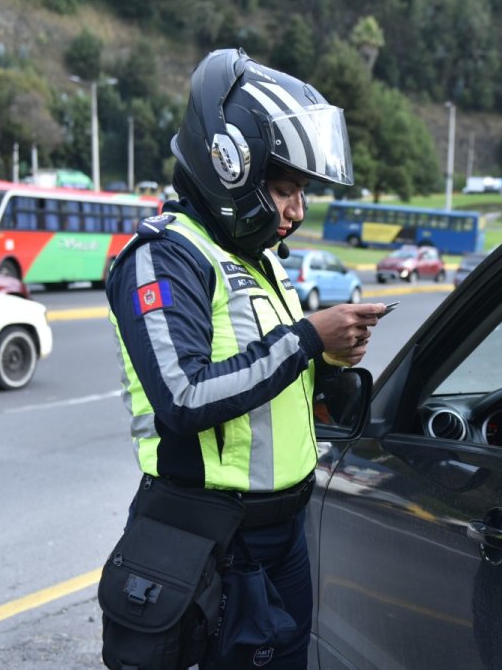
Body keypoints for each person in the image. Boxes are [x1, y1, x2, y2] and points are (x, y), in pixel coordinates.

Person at [105, 49, 385, 669]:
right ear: (227, 166)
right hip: (213, 541)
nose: (296, 211)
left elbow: (276, 386)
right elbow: (182, 398)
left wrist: (333, 364)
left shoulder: (259, 263)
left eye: (302, 192)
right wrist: (308, 339)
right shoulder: (165, 257)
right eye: (284, 190)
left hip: (282, 535)